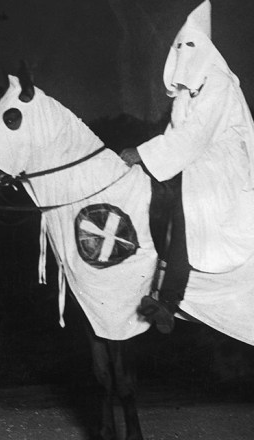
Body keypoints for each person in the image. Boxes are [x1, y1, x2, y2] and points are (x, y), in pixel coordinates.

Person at [120, 0, 254, 333]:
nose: (183, 52)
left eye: (191, 45)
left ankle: (169, 299)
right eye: (179, 46)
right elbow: (175, 134)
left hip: (224, 166)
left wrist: (143, 153)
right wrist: (144, 161)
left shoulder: (218, 82)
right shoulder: (186, 92)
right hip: (195, 160)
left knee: (187, 204)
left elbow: (197, 135)